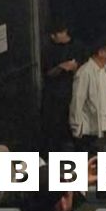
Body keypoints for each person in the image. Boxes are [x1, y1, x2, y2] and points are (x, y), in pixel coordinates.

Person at [70, 34, 106, 152]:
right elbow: (77, 101)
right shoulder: (85, 72)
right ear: (100, 52)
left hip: (103, 129)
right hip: (87, 131)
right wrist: (76, 127)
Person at [41, 19, 85, 151]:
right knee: (55, 125)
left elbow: (84, 68)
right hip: (55, 93)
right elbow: (47, 72)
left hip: (74, 90)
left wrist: (74, 67)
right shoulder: (49, 48)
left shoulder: (77, 46)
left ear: (64, 32)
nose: (53, 37)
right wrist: (61, 67)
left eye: (56, 34)